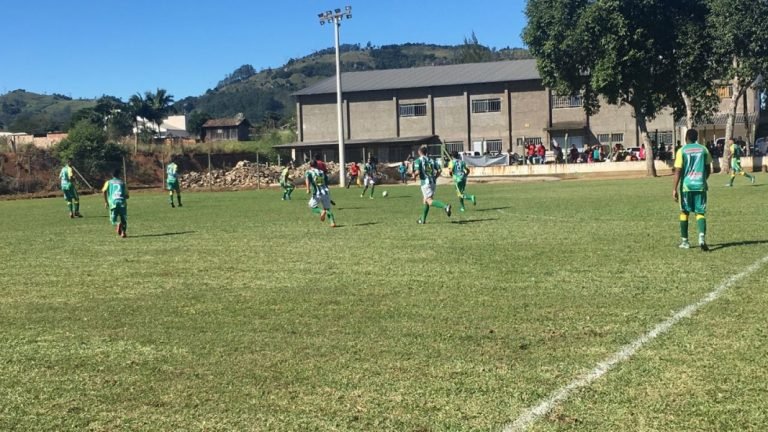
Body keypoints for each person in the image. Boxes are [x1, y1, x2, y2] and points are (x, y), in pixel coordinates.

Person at [673, 128, 711, 251]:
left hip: (686, 186)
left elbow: (678, 170)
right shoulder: (703, 149)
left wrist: (674, 188)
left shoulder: (682, 151)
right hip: (700, 185)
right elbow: (708, 168)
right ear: (697, 138)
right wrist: (704, 180)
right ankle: (701, 238)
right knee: (700, 212)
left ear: (686, 138)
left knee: (684, 212)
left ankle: (685, 242)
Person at [412, 145, 451, 224]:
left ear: (419, 152)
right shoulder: (432, 160)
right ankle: (423, 220)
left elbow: (418, 172)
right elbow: (439, 170)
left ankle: (445, 207)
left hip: (425, 183)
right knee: (425, 201)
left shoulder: (418, 160)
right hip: (433, 182)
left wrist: (413, 175)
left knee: (429, 201)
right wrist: (435, 177)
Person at [305, 160, 336, 227]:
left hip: (317, 193)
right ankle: (332, 222)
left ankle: (320, 211)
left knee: (311, 206)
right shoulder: (321, 172)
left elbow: (307, 179)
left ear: (310, 165)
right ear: (317, 165)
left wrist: (308, 189)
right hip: (326, 192)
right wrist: (329, 198)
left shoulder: (308, 172)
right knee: (327, 209)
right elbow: (325, 183)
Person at [102, 168, 129, 238]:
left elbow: (104, 191)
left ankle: (117, 224)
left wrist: (106, 201)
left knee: (112, 220)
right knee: (124, 219)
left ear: (112, 175)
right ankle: (123, 233)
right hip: (122, 203)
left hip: (113, 203)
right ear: (119, 175)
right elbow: (127, 196)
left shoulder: (108, 182)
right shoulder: (123, 183)